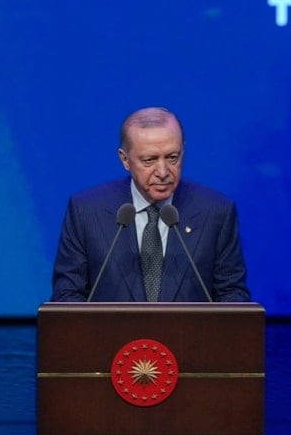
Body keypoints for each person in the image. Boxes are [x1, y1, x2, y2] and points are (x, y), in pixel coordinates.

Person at [51, 106, 251, 303]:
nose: (163, 172)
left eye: (172, 157)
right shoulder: (86, 211)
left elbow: (232, 295)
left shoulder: (216, 211)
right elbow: (67, 295)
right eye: (149, 160)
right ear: (125, 159)